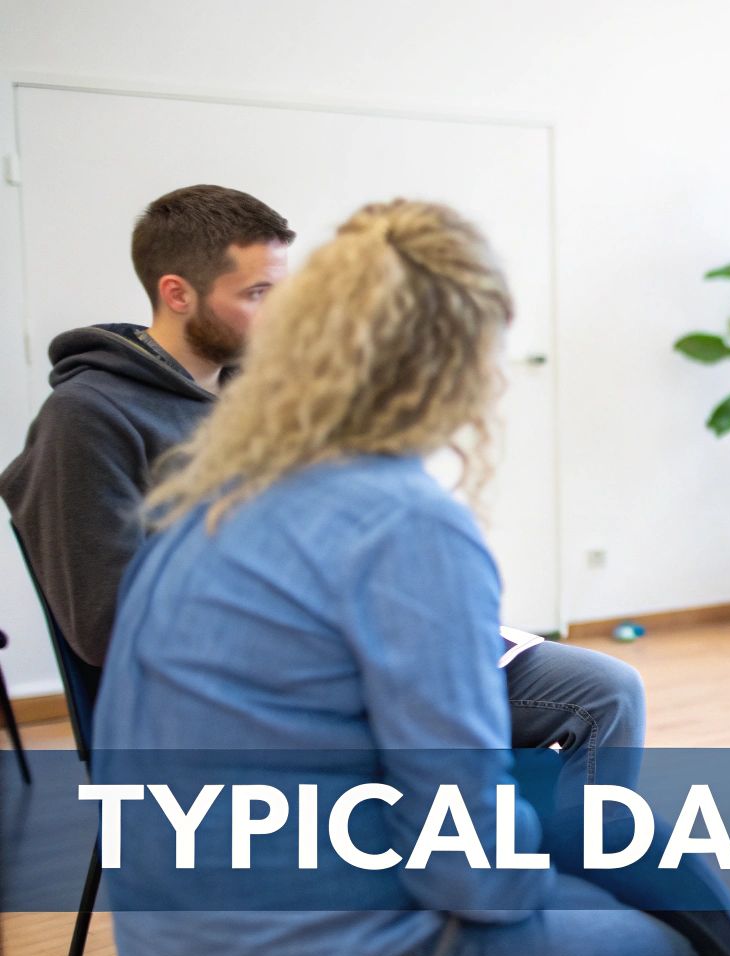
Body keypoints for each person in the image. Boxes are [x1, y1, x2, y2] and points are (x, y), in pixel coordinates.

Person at [91, 199, 730, 956]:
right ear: (454, 364)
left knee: (631, 839)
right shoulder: (405, 520)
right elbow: (469, 864)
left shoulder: (217, 495)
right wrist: (546, 872)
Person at [0, 184, 640, 792]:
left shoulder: (265, 393)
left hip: (353, 643)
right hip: (236, 690)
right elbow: (109, 625)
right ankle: (495, 884)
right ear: (177, 293)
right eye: (256, 293)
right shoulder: (87, 418)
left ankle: (564, 872)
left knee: (606, 690)